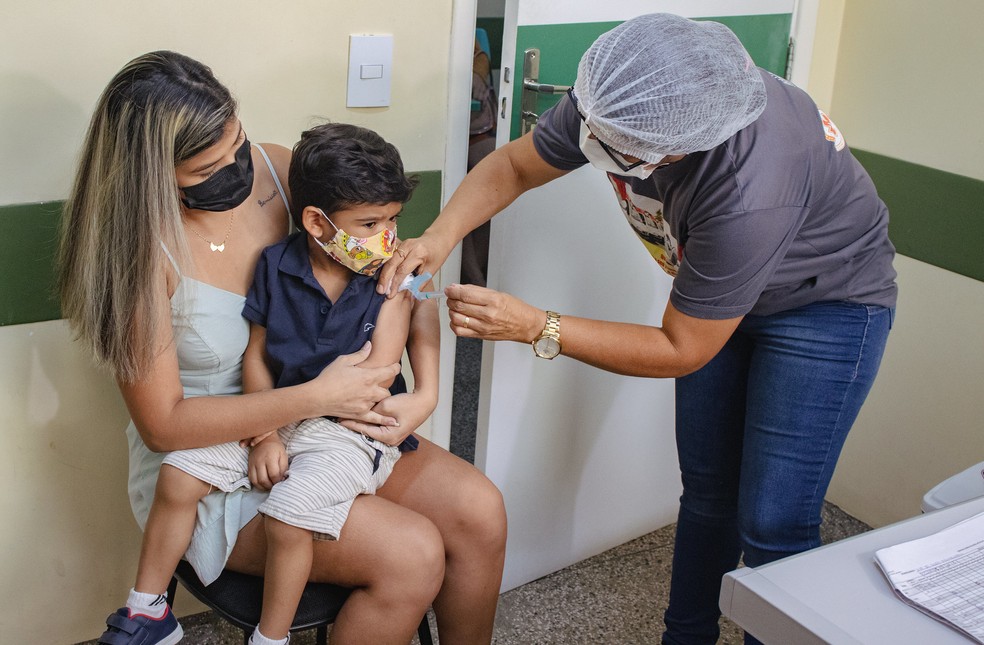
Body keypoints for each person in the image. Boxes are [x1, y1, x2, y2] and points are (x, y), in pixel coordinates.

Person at [376, 13, 896, 645]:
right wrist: (438, 236)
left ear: (678, 149)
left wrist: (538, 325)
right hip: (721, 293)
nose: (586, 139)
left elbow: (681, 347)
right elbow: (513, 167)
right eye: (589, 124)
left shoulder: (749, 189)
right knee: (707, 492)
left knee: (774, 520)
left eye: (612, 141)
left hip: (825, 305)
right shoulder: (633, 90)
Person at [58, 51, 506, 645]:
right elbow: (165, 427)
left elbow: (383, 265)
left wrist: (425, 393)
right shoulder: (140, 258)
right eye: (207, 169)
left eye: (236, 143)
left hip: (327, 418)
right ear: (155, 175)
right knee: (412, 555)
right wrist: (308, 400)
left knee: (480, 511)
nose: (237, 169)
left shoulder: (277, 170)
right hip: (209, 458)